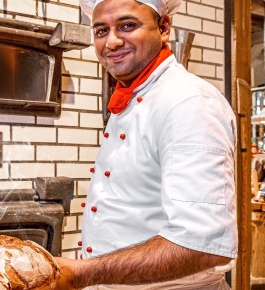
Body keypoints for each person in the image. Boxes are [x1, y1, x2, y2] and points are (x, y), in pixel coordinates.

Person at [54, 0, 237, 289]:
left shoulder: (188, 103)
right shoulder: (134, 96)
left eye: (127, 26)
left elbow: (203, 244)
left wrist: (81, 273)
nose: (111, 42)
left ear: (164, 28)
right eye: (101, 31)